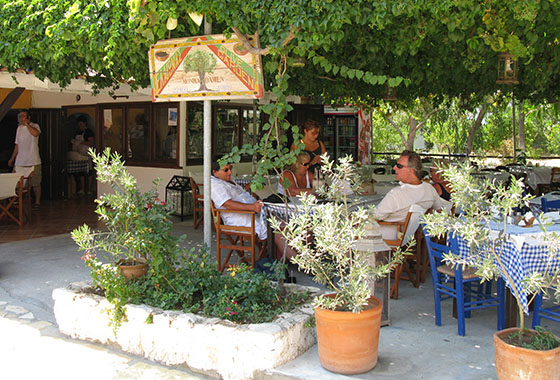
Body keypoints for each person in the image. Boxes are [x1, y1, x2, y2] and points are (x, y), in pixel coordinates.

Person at [375, 150, 442, 239]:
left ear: (411, 170)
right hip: (408, 236)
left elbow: (375, 217)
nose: (394, 168)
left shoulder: (396, 194)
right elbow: (439, 210)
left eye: (399, 166)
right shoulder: (429, 189)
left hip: (389, 235)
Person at [211, 160, 267, 240]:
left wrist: (255, 181)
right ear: (215, 172)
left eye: (230, 168)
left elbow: (241, 193)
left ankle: (273, 249)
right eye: (226, 170)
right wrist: (252, 207)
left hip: (252, 214)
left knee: (280, 222)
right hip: (240, 219)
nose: (230, 172)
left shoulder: (228, 180)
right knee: (275, 228)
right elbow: (227, 204)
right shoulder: (215, 185)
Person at [8, 110, 42, 208]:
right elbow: (17, 145)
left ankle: (37, 202)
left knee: (35, 183)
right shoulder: (19, 129)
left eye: (23, 116)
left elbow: (35, 134)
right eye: (20, 116)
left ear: (28, 117)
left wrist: (27, 125)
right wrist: (12, 159)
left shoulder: (35, 126)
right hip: (20, 161)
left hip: (33, 160)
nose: (21, 118)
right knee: (16, 183)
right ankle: (17, 201)